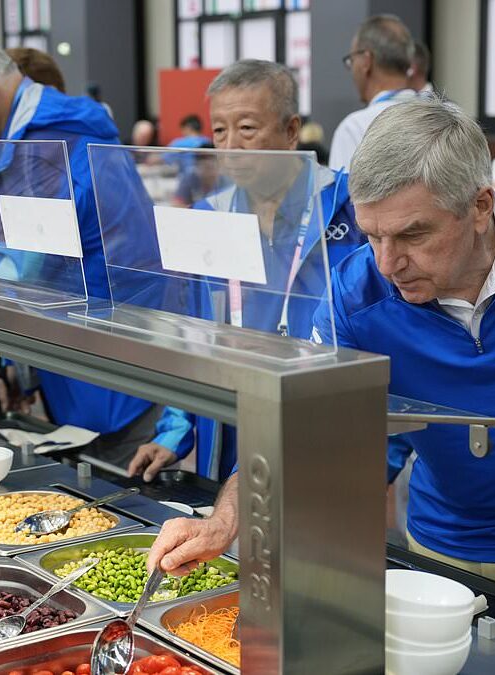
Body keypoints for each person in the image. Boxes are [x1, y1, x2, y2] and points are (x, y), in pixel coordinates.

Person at [151, 98, 495, 671]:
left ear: (480, 205)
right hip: (439, 548)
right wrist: (226, 521)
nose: (387, 262)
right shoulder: (354, 293)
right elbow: (296, 420)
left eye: (412, 235)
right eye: (372, 236)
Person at [0, 24, 159, 470]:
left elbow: (23, 267)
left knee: (120, 495)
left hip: (112, 365)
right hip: (91, 353)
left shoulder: (45, 146)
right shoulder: (31, 138)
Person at [129, 59, 365, 487]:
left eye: (248, 129)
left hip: (327, 417)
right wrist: (175, 430)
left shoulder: (349, 206)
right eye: (220, 130)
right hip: (233, 419)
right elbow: (193, 334)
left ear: (291, 131)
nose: (231, 146)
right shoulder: (210, 215)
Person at [328, 15, 419, 171]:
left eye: (352, 60)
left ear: (366, 61)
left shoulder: (354, 129)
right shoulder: (447, 117)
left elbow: (341, 195)